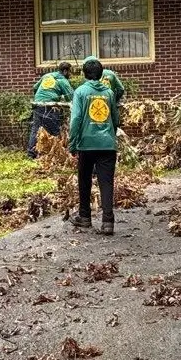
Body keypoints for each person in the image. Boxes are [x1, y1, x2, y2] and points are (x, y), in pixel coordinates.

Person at [69, 57, 119, 235]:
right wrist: (110, 133)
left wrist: (72, 143)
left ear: (84, 73)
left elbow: (75, 119)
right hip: (107, 144)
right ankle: (107, 222)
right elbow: (115, 118)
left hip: (86, 143)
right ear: (101, 73)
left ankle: (85, 217)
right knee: (106, 182)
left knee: (84, 180)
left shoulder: (80, 92)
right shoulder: (109, 93)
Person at [27, 61, 73, 158]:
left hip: (38, 104)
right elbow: (71, 97)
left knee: (36, 129)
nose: (70, 74)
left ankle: (31, 154)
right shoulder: (63, 80)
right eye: (70, 72)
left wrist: (40, 97)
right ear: (65, 71)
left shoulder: (47, 76)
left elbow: (35, 87)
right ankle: (57, 155)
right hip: (50, 106)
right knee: (55, 130)